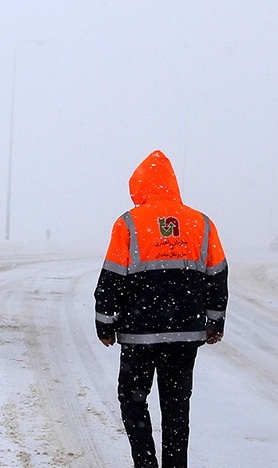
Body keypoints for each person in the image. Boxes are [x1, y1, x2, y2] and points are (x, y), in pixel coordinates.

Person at [94, 150, 228, 468]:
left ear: (139, 186)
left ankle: (145, 463)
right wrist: (215, 322)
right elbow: (218, 274)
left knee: (132, 399)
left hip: (139, 335)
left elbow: (112, 276)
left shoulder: (129, 223)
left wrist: (105, 322)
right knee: (176, 406)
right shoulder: (201, 223)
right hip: (185, 335)